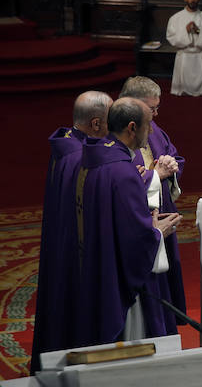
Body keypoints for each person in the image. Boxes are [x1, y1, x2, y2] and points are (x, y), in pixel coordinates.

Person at [70, 97, 182, 348]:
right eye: (148, 125)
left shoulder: (96, 157)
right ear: (132, 128)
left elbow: (114, 217)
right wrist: (157, 232)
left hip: (97, 262)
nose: (151, 132)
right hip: (120, 282)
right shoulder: (124, 171)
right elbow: (133, 242)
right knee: (133, 345)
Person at [32, 91, 112, 370]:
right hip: (77, 252)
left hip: (61, 239)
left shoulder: (67, 143)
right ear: (96, 124)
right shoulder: (80, 158)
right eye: (110, 120)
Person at [119, 76, 187, 336]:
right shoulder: (117, 134)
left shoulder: (152, 128)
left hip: (162, 215)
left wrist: (171, 165)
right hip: (138, 224)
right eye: (152, 108)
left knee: (163, 282)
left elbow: (174, 155)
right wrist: (155, 175)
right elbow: (119, 181)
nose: (156, 114)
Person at [166, 0, 202, 97]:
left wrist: (198, 31)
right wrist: (186, 31)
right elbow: (171, 37)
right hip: (184, 53)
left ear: (198, 0)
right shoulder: (176, 18)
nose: (192, 0)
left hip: (199, 54)